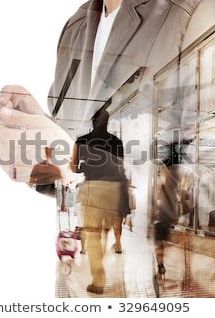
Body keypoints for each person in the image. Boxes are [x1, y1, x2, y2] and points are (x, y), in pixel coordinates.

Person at [0, 0, 215, 297]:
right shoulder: (81, 23)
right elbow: (78, 174)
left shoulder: (211, 11)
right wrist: (42, 159)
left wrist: (78, 160)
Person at [70, 109, 129, 294]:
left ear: (93, 121)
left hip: (92, 190)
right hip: (112, 191)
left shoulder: (81, 141)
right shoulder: (117, 142)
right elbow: (120, 167)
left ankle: (98, 281)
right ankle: (100, 271)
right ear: (107, 122)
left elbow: (74, 167)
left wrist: (83, 164)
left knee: (93, 236)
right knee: (103, 232)